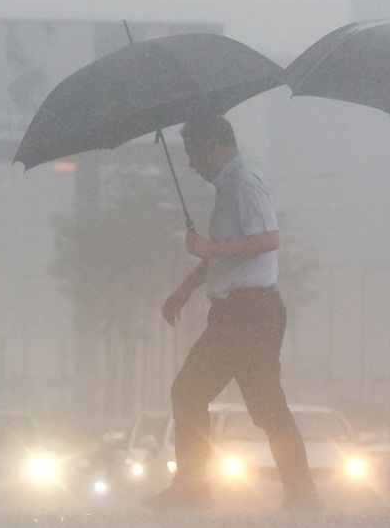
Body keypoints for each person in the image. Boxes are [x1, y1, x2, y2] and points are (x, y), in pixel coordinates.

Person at [142, 114, 321, 513]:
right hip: (236, 313)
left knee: (198, 394)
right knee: (259, 405)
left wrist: (210, 249)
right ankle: (300, 493)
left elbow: (268, 239)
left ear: (217, 146)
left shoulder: (243, 183)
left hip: (249, 313)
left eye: (194, 152)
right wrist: (186, 287)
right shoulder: (228, 188)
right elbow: (225, 254)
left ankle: (196, 488)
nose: (190, 163)